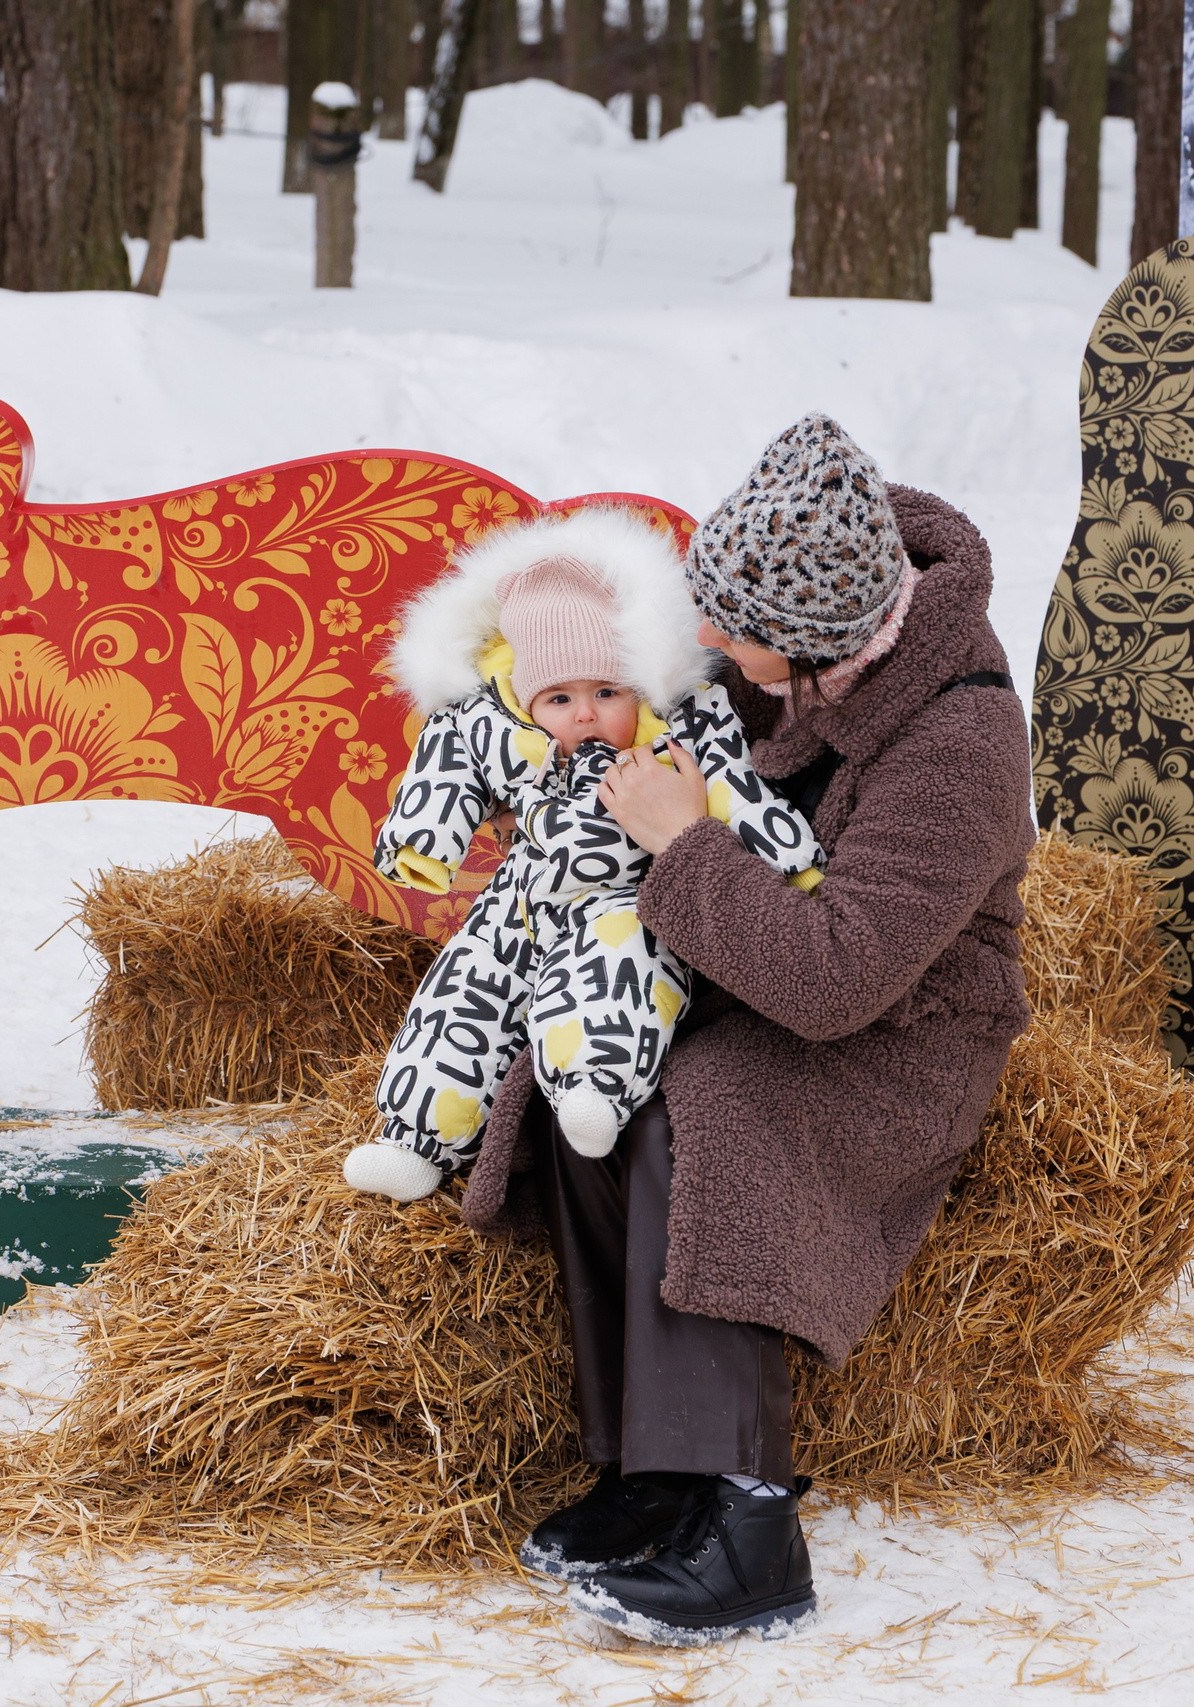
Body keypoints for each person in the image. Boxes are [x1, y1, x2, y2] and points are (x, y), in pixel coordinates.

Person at [463, 414, 1036, 1646]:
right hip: (746, 962)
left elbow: (840, 982)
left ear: (817, 642)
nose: (706, 642)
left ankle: (751, 1529)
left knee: (707, 1110)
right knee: (586, 1083)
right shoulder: (792, 646)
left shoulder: (960, 741)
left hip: (901, 1027)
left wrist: (681, 843)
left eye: (731, 628)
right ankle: (653, 1474)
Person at [346, 510, 823, 1204]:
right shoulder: (494, 724)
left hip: (624, 895)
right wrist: (424, 840)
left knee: (619, 970)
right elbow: (445, 764)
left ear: (636, 685)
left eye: (606, 692)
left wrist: (790, 862)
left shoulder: (676, 731)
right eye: (560, 698)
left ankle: (594, 1087)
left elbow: (734, 786)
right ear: (527, 697)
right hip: (519, 900)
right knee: (464, 992)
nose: (585, 714)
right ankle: (416, 1138)